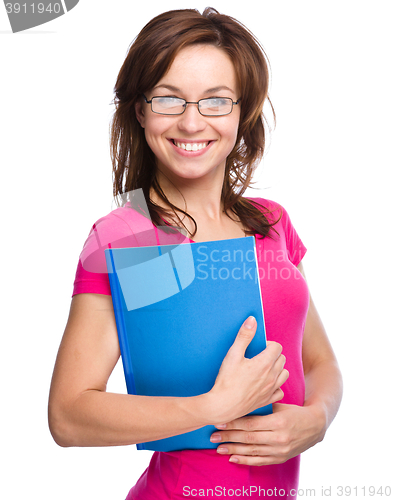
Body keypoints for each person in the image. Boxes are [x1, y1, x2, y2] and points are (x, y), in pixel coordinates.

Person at [48, 7, 343, 499]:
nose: (191, 122)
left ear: (241, 111)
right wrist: (212, 407)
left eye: (215, 101)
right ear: (140, 111)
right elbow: (69, 414)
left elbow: (319, 364)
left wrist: (318, 419)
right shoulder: (134, 237)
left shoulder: (269, 222)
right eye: (168, 99)